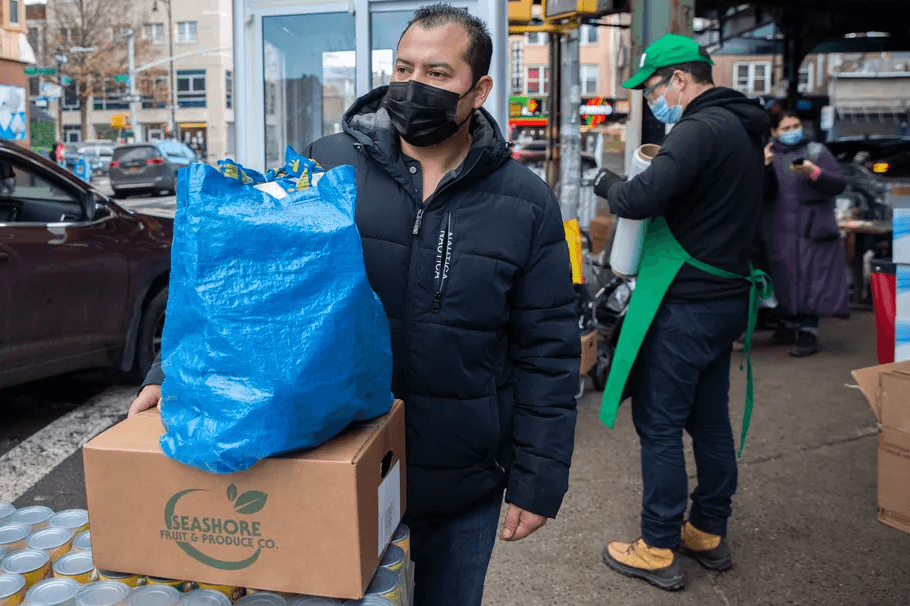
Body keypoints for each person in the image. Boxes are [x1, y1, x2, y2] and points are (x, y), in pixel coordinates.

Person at [128, 4, 580, 605]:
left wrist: (539, 476)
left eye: (439, 74)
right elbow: (249, 278)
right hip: (337, 460)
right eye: (403, 67)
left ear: (480, 90)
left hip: (462, 481)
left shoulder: (525, 202)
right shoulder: (331, 163)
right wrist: (171, 374)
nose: (414, 85)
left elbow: (548, 348)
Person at [592, 34, 769, 590]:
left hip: (686, 304)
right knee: (708, 419)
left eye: (650, 89)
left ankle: (657, 544)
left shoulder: (698, 129)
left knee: (661, 422)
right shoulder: (742, 128)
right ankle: (707, 530)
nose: (650, 100)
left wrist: (605, 181)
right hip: (725, 301)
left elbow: (637, 201)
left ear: (680, 80)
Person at [761, 110, 849, 356]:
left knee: (814, 281)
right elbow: (761, 193)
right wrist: (765, 167)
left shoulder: (817, 152)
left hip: (813, 229)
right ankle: (788, 326)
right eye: (786, 128)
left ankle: (808, 332)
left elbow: (838, 184)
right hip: (779, 229)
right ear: (774, 132)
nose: (792, 132)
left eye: (796, 126)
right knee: (784, 277)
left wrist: (814, 171)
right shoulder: (768, 156)